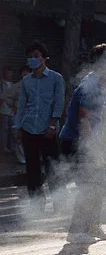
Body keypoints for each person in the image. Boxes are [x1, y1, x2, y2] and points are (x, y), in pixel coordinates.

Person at [59, 44, 106, 244]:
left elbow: (101, 111)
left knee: (101, 183)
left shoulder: (101, 84)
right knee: (89, 186)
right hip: (77, 142)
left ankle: (93, 224)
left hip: (86, 141)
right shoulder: (91, 85)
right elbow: (84, 119)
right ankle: (76, 231)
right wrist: (92, 150)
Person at [14, 40, 65, 211]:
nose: (33, 60)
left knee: (53, 167)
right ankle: (36, 206)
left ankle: (60, 203)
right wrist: (18, 128)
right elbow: (21, 105)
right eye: (30, 57)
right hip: (29, 128)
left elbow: (58, 103)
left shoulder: (56, 78)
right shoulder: (26, 81)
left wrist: (52, 125)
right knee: (32, 169)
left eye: (36, 56)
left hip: (47, 130)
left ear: (44, 58)